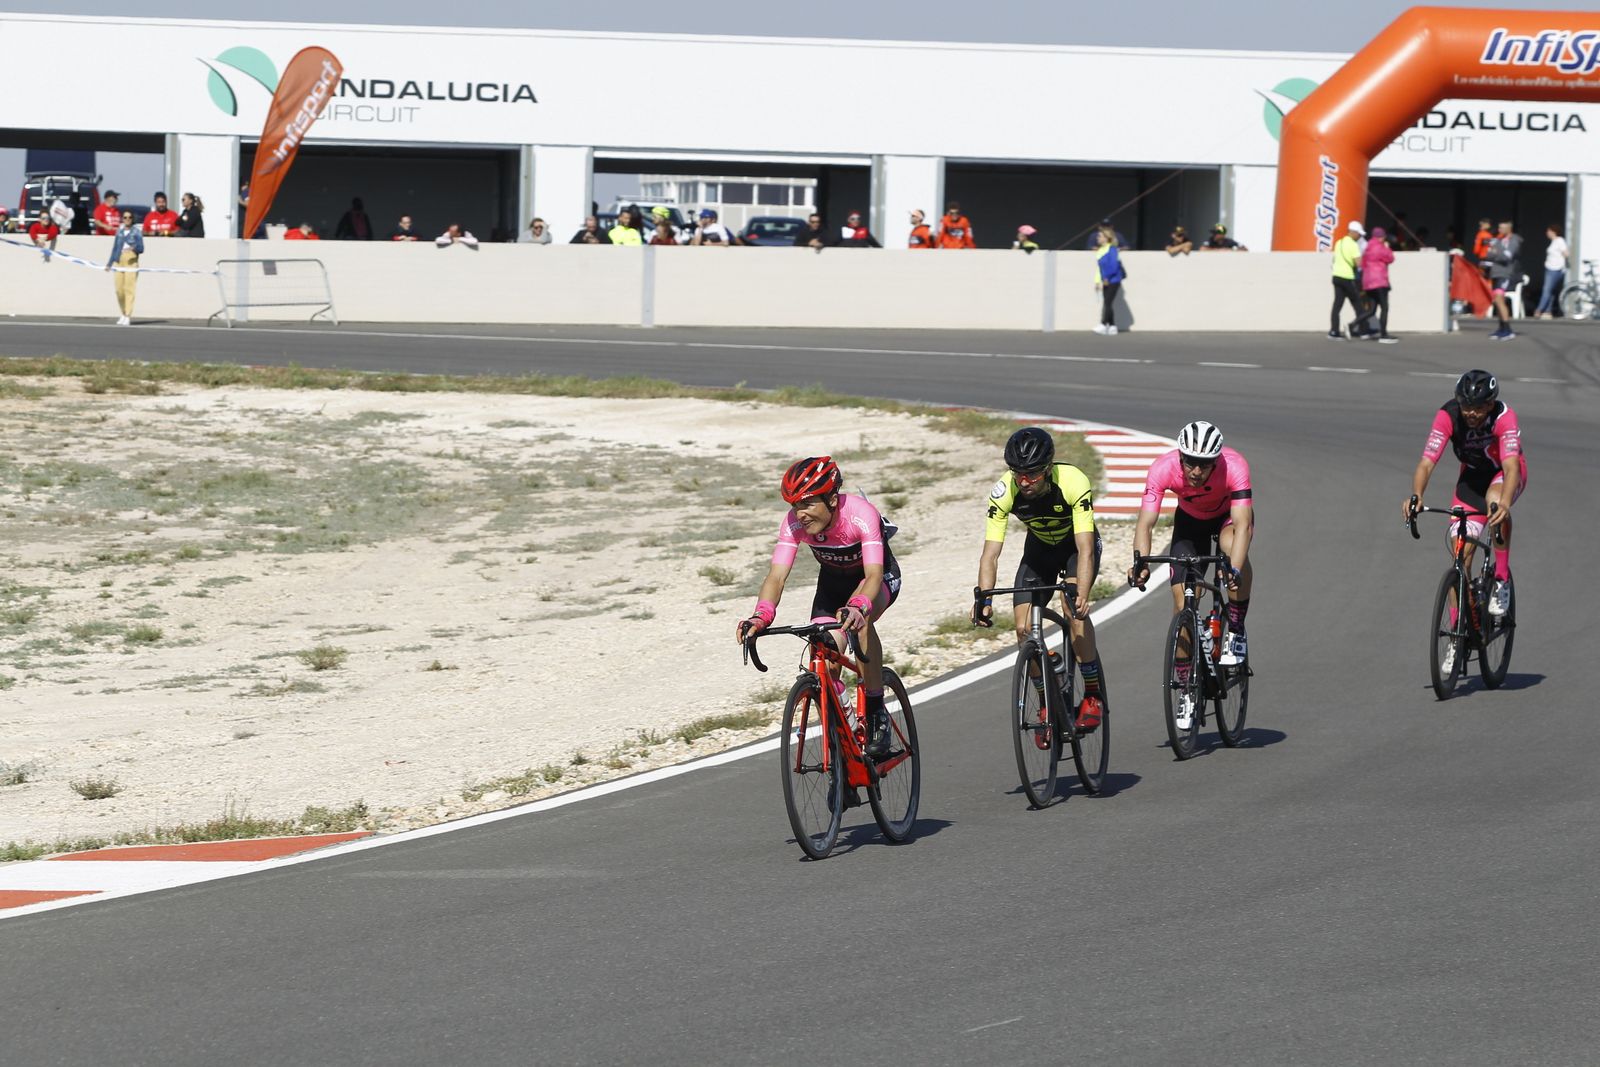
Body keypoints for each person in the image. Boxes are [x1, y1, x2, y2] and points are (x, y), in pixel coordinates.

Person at [737, 457, 902, 762]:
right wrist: (761, 615)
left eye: (809, 503)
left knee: (860, 622)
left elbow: (874, 575)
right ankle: (845, 747)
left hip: (875, 578)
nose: (800, 513)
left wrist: (858, 606)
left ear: (831, 498)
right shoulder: (794, 523)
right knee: (823, 656)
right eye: (794, 504)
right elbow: (776, 576)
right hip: (831, 586)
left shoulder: (860, 514)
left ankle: (877, 710)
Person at [971, 427, 1107, 732]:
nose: (1024, 481)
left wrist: (1082, 593)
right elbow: (990, 554)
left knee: (1072, 610)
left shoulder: (1073, 482)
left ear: (1047, 469)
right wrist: (984, 598)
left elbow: (1085, 549)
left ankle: (1093, 693)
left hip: (1075, 548)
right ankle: (1048, 702)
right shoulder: (1004, 491)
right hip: (1040, 552)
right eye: (1018, 473)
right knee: (1023, 629)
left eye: (1032, 474)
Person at [1128, 421, 1255, 689]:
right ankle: (1186, 686)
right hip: (1190, 523)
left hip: (1227, 520)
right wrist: (1140, 562)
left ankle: (1235, 628)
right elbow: (1145, 523)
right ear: (1180, 456)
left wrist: (1235, 568)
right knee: (1183, 601)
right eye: (1190, 462)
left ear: (1217, 460)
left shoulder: (1235, 466)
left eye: (1205, 464)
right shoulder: (1163, 468)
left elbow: (1243, 524)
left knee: (1230, 547)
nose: (1196, 471)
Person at [1403, 370, 1525, 623]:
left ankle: (1501, 579)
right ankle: (1458, 632)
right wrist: (1416, 496)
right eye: (1466, 405)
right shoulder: (1448, 415)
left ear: (1490, 404)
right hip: (1472, 479)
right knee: (1460, 558)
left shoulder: (1504, 416)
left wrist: (1504, 503)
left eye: (1478, 407)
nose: (1470, 412)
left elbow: (1511, 466)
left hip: (1504, 473)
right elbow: (1427, 462)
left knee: (1494, 500)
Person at [1329, 220, 1374, 339]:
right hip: (1347, 278)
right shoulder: (1353, 245)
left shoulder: (1339, 242)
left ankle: (1334, 331)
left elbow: (1335, 259)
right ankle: (1364, 331)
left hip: (1336, 276)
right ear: (1353, 232)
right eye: (1358, 233)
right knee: (1358, 304)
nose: (1359, 236)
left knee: (1337, 305)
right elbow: (1358, 263)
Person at [104, 209, 144, 326]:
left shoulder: (136, 232)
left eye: (129, 217)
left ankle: (128, 315)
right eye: (125, 217)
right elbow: (115, 247)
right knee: (119, 290)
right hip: (119, 261)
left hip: (131, 262)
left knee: (129, 289)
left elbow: (141, 248)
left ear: (132, 219)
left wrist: (133, 248)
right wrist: (109, 263)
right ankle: (123, 312)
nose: (127, 220)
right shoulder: (119, 232)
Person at [1361, 225, 1399, 343]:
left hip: (1368, 282)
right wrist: (1387, 247)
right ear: (1381, 237)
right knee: (1384, 308)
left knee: (1371, 310)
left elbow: (1363, 264)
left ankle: (1352, 325)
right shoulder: (1380, 247)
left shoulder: (1367, 248)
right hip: (1380, 282)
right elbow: (1391, 258)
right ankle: (1383, 334)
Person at [1484, 219, 1522, 339]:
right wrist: (1495, 252)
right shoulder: (1499, 240)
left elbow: (1507, 257)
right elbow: (1489, 254)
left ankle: (1508, 330)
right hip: (1496, 274)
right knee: (1496, 300)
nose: (1499, 230)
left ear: (1508, 228)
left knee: (1500, 299)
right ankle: (1501, 328)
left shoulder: (1514, 240)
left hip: (1506, 274)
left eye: (1501, 228)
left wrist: (1496, 252)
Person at [1092, 224, 1126, 335]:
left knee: (1107, 302)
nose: (1098, 238)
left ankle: (1103, 324)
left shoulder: (1112, 249)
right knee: (1108, 303)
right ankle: (1112, 326)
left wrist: (1106, 278)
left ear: (1106, 238)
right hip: (1106, 280)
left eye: (1100, 236)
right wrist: (1097, 281)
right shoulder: (1100, 250)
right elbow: (1099, 268)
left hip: (1114, 280)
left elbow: (1113, 266)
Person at [1534, 223, 1568, 318]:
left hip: (1555, 269)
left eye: (1549, 231)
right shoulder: (1553, 242)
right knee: (1551, 291)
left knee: (1547, 289)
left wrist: (1560, 262)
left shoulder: (1559, 241)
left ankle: (1539, 309)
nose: (1547, 233)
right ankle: (1548, 311)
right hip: (1550, 268)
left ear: (1554, 232)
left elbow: (1565, 253)